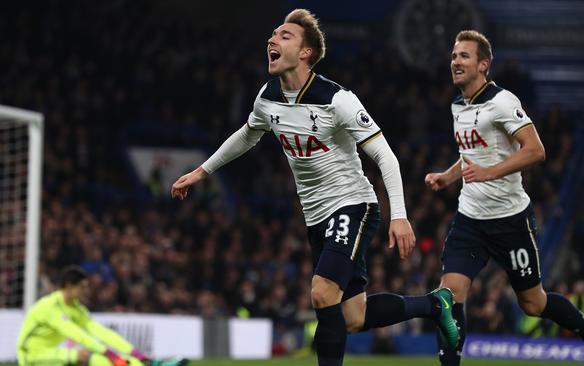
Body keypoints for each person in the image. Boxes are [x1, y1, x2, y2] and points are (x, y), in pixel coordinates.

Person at [170, 9, 458, 366]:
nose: (271, 40)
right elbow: (248, 133)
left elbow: (386, 157)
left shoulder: (337, 100)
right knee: (353, 317)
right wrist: (202, 171)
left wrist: (399, 216)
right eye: (272, 34)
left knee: (322, 294)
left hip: (353, 204)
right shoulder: (268, 96)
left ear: (306, 53)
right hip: (316, 216)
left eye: (284, 36)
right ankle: (436, 303)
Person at [424, 30, 584, 366]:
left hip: (510, 219)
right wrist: (448, 175)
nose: (456, 61)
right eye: (454, 56)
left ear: (483, 65)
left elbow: (536, 151)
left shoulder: (502, 102)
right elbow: (470, 154)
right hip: (470, 218)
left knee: (533, 303)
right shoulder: (458, 105)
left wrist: (491, 172)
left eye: (464, 56)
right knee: (449, 297)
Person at [16, 266, 186, 366]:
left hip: (51, 353)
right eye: (82, 287)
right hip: (30, 357)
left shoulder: (76, 308)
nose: (85, 291)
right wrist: (108, 353)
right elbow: (77, 334)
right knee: (87, 355)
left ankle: (146, 363)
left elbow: (101, 332)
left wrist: (134, 353)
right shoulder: (49, 306)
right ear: (68, 285)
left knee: (106, 359)